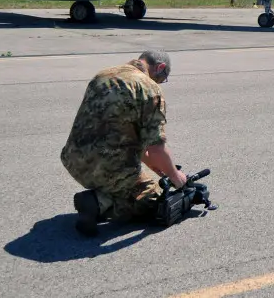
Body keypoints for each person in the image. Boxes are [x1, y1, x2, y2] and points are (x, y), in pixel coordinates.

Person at [60, 49, 187, 236]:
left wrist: (155, 166)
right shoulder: (149, 88)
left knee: (134, 180)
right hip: (107, 168)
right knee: (154, 200)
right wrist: (176, 178)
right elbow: (157, 148)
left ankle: (107, 193)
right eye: (163, 78)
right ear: (160, 68)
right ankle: (99, 204)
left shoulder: (103, 75)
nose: (161, 83)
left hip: (73, 160)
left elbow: (127, 136)